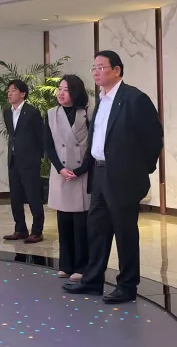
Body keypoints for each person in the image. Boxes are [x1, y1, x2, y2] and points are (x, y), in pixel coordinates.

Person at [63, 51, 162, 304]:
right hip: (99, 173)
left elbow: (153, 139)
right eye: (93, 68)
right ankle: (92, 280)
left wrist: (139, 171)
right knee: (97, 229)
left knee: (125, 233)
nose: (96, 72)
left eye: (101, 67)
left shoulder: (134, 99)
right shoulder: (101, 100)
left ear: (117, 70)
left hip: (124, 177)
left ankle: (127, 286)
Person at [45, 75, 91, 281]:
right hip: (61, 173)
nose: (61, 93)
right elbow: (48, 146)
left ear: (75, 92)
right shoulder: (50, 114)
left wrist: (81, 170)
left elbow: (93, 146)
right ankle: (66, 264)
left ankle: (82, 266)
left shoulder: (87, 113)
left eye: (66, 89)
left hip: (81, 173)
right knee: (63, 222)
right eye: (59, 89)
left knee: (81, 225)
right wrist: (60, 169)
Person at [2, 79, 45, 243]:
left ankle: (37, 231)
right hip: (13, 160)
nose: (9, 93)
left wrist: (38, 158)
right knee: (15, 197)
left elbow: (40, 136)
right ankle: (20, 229)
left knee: (33, 196)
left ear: (22, 93)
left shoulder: (31, 112)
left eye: (13, 90)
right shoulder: (7, 113)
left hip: (30, 161)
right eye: (8, 90)